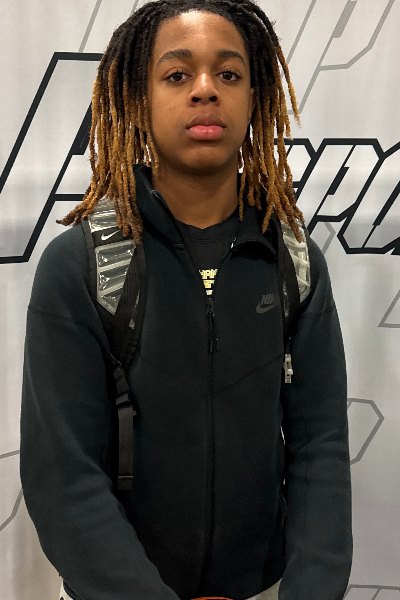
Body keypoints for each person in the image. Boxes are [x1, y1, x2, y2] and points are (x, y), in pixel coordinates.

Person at [19, 1, 353, 600]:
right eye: (177, 74)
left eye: (229, 74)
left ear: (255, 98)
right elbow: (64, 478)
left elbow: (319, 450)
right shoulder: (80, 267)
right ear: (139, 99)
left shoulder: (294, 263)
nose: (205, 89)